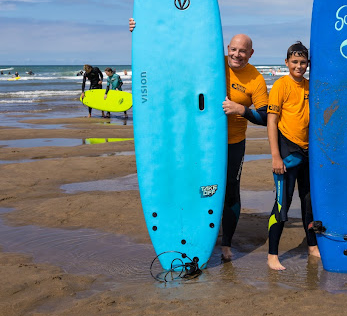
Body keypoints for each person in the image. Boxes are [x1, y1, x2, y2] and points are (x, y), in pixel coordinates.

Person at [129, 18, 269, 261]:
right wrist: (141, 29)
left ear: (251, 53)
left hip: (233, 143)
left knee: (230, 192)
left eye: (243, 51)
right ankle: (198, 231)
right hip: (201, 142)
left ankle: (226, 243)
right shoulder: (213, 64)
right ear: (227, 49)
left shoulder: (255, 79)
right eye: (233, 49)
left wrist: (242, 110)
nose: (237, 55)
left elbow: (266, 116)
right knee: (198, 186)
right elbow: (174, 54)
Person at [266, 41, 320, 270]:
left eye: (303, 62)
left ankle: (312, 246)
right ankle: (272, 255)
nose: (299, 66)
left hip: (309, 153)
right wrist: (275, 156)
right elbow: (272, 121)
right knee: (282, 203)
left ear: (308, 63)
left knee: (309, 202)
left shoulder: (311, 86)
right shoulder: (280, 85)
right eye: (294, 62)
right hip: (287, 152)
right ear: (286, 62)